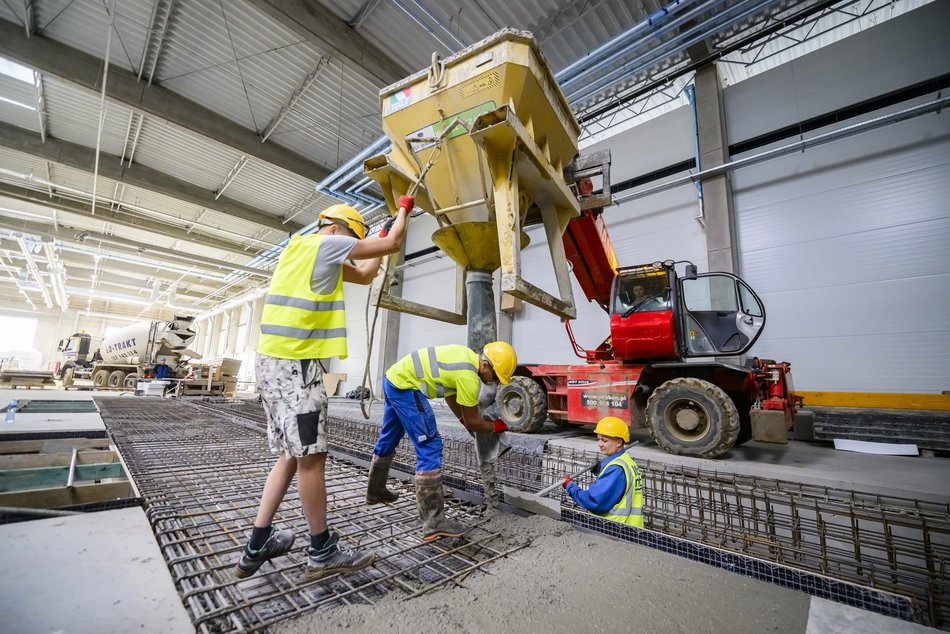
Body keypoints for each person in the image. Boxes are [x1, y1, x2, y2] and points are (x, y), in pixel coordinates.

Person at [234, 196, 413, 581]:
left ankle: (257, 545)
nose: (349, 247)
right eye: (351, 239)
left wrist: (380, 240)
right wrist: (403, 210)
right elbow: (394, 243)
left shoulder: (301, 251)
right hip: (295, 367)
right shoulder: (326, 243)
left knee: (290, 454)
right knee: (312, 459)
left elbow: (364, 275)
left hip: (272, 366)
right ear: (335, 230)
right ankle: (322, 552)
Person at [366, 341, 517, 541]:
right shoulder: (469, 378)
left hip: (393, 379)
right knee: (430, 445)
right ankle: (433, 522)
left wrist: (464, 421)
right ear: (485, 365)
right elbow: (473, 421)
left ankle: (375, 489)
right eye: (496, 377)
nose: (495, 383)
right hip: (406, 387)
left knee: (390, 435)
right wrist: (495, 426)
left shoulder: (465, 357)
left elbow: (450, 395)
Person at [562, 416, 644, 528]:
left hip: (615, 529)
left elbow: (594, 502)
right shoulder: (626, 461)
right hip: (630, 526)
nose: (599, 444)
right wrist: (600, 471)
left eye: (604, 440)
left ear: (619, 442)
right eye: (599, 439)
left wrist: (570, 487)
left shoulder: (616, 468)